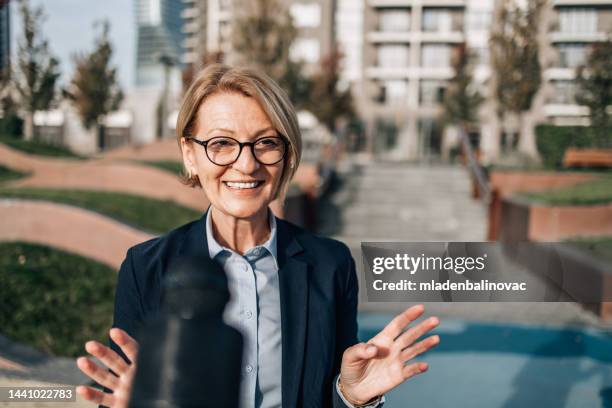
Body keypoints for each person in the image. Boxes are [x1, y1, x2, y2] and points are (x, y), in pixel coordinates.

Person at [74, 64, 440, 408]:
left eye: (265, 143)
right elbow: (121, 391)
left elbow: (332, 392)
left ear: (287, 155)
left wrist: (351, 396)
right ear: (190, 155)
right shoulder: (146, 268)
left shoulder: (331, 265)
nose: (246, 164)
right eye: (221, 144)